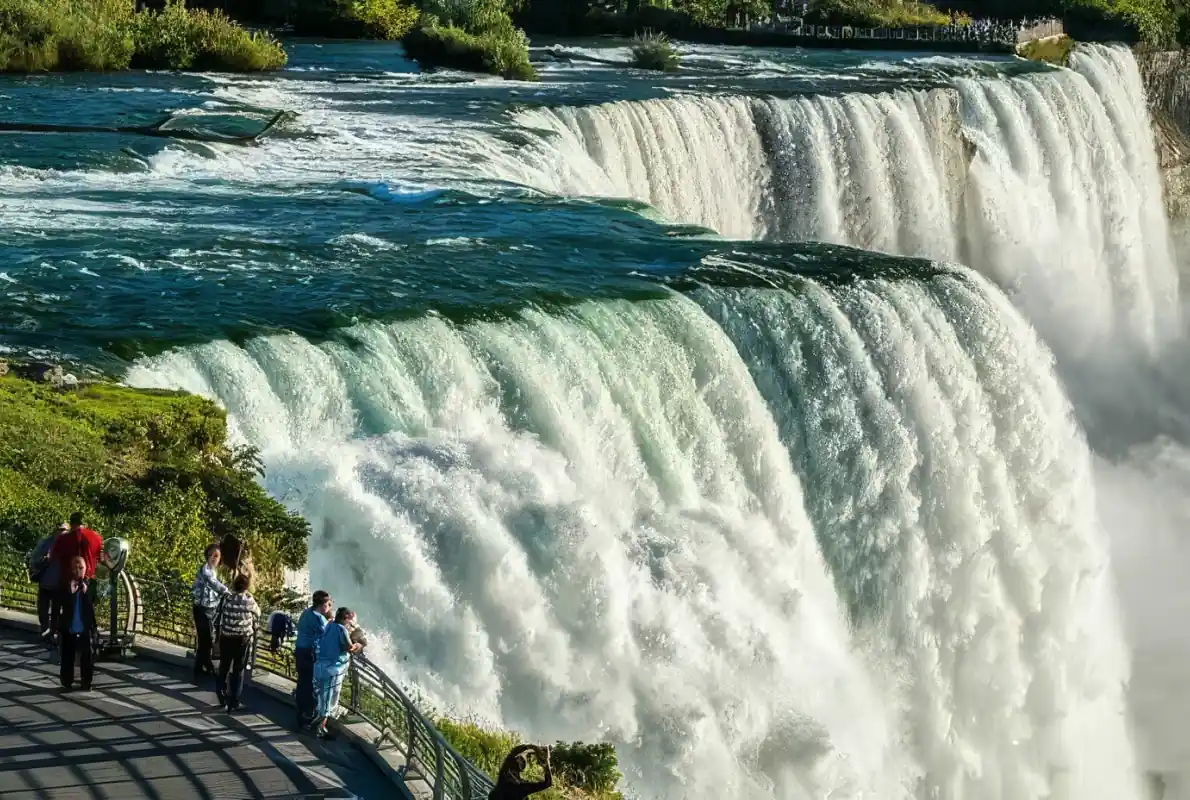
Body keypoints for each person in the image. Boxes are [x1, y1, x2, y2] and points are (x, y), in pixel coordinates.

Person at [311, 606, 362, 739]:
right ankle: (319, 728)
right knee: (327, 700)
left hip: (320, 665)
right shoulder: (341, 630)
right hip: (332, 668)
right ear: (345, 618)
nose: (350, 625)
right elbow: (349, 647)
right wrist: (357, 645)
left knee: (323, 697)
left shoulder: (330, 624)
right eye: (350, 622)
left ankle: (317, 723)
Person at [215, 573, 260, 712]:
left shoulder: (226, 597)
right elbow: (257, 613)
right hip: (243, 639)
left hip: (226, 637)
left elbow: (218, 612)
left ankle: (221, 697)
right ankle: (234, 700)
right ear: (246, 586)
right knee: (238, 670)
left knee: (224, 667)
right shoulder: (249, 599)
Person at [191, 543, 230, 681]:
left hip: (210, 609)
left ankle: (202, 667)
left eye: (217, 556)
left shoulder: (214, 570)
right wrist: (226, 591)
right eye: (212, 555)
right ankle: (204, 668)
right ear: (207, 556)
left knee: (206, 640)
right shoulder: (205, 570)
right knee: (205, 640)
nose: (214, 558)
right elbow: (212, 582)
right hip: (201, 609)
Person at [58, 556, 97, 692]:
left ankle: (86, 682)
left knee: (87, 656)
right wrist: (71, 592)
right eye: (75, 568)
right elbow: (59, 603)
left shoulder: (91, 583)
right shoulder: (65, 584)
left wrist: (86, 592)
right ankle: (67, 681)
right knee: (67, 655)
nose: (77, 571)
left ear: (85, 568)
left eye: (80, 568)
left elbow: (94, 600)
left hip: (84, 626)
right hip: (69, 626)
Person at [294, 589, 332, 729]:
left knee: (302, 681)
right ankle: (308, 716)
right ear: (323, 605)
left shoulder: (306, 613)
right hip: (309, 653)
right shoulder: (319, 619)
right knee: (310, 684)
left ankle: (300, 712)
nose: (330, 607)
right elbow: (326, 636)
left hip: (299, 650)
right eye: (329, 604)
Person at [29, 523, 67, 641]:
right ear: (55, 530)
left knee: (56, 610)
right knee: (43, 610)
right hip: (45, 581)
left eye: (65, 530)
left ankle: (53, 633)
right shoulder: (45, 543)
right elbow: (35, 560)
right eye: (60, 529)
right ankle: (45, 630)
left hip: (59, 584)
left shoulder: (69, 545)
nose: (62, 532)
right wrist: (45, 559)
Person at [47, 512, 104, 588]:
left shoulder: (63, 538)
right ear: (85, 523)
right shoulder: (96, 537)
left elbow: (52, 557)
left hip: (68, 582)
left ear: (71, 523)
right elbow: (101, 559)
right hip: (89, 580)